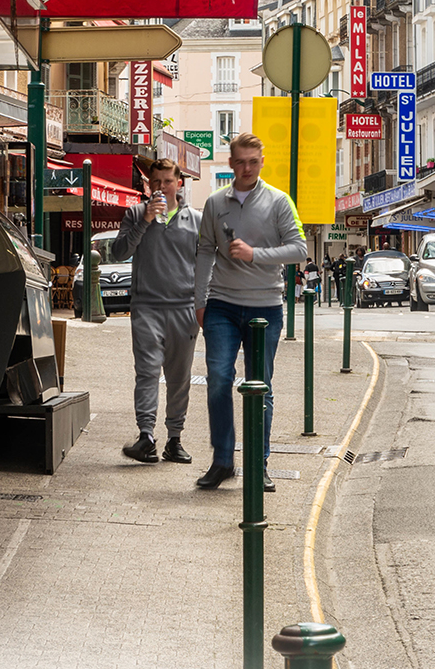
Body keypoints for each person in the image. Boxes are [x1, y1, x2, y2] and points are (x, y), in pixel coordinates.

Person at [192, 132, 308, 491]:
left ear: (261, 162)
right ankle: (223, 460)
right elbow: (205, 251)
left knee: (260, 387)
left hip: (265, 308)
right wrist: (199, 300)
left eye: (252, 162)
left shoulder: (279, 202)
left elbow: (299, 249)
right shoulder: (214, 204)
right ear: (230, 163)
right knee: (218, 382)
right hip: (222, 305)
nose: (246, 168)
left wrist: (255, 254)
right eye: (240, 161)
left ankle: (258, 465)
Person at [106, 160, 201, 465]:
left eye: (167, 181)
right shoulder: (135, 213)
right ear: (147, 185)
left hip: (184, 309)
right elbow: (119, 251)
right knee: (146, 372)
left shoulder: (196, 220)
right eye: (155, 182)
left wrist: (204, 303)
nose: (161, 187)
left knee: (179, 378)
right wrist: (145, 220)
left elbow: (206, 265)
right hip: (146, 306)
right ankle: (146, 437)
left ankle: (175, 439)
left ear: (179, 184)